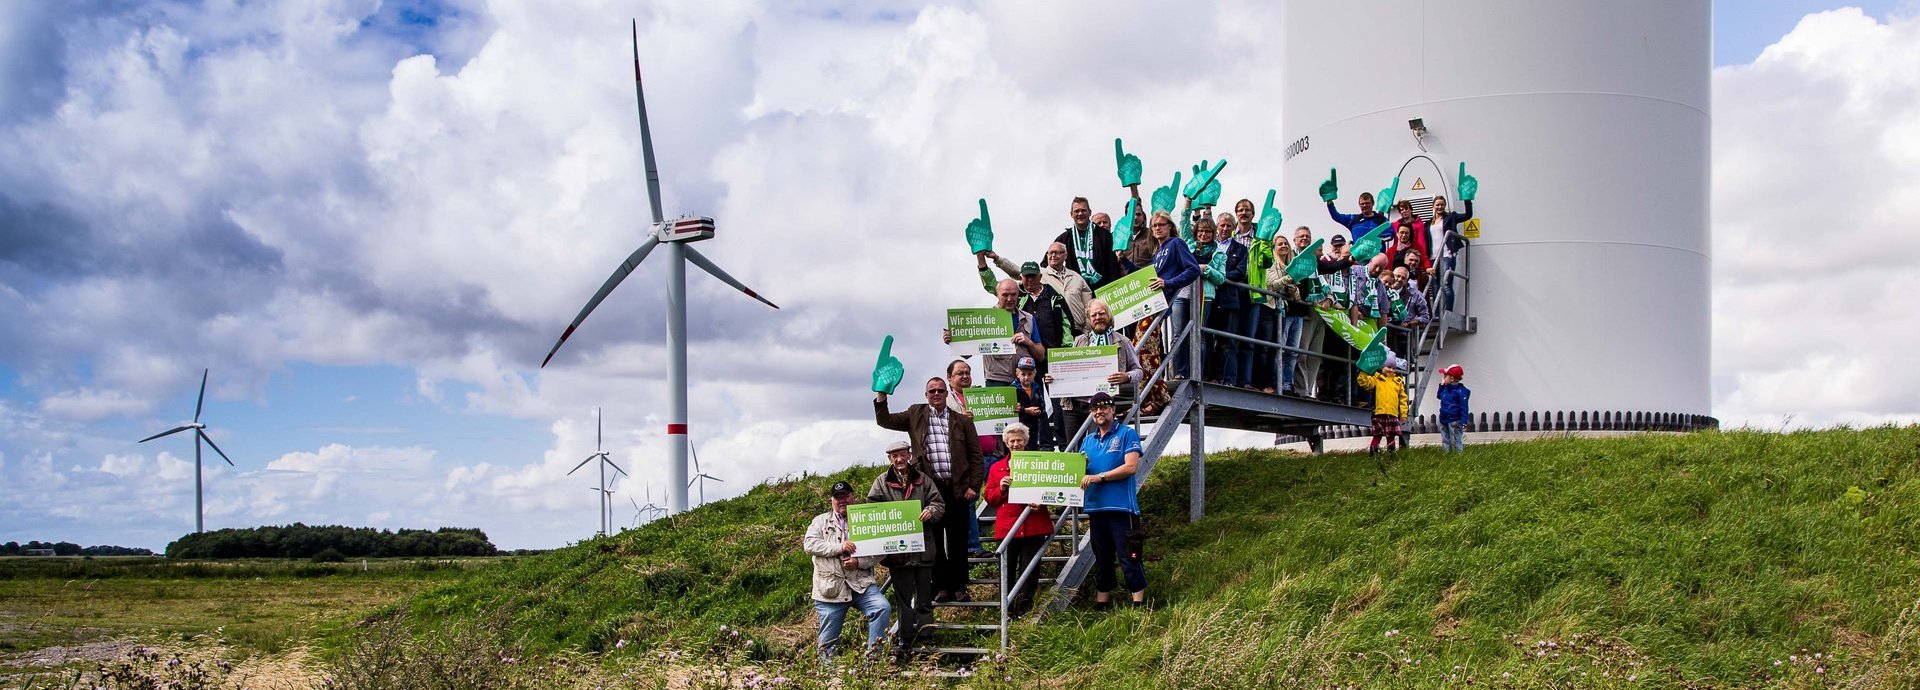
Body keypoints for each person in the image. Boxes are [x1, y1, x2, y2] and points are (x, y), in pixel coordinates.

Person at [873, 378, 983, 604]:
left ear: (946, 393)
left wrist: (974, 486)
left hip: (958, 488)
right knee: (932, 539)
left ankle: (960, 586)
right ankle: (941, 586)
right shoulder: (916, 413)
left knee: (958, 541)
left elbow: (976, 455)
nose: (936, 394)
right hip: (928, 491)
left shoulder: (961, 420)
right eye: (932, 391)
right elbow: (884, 419)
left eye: (941, 391)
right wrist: (882, 394)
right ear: (926, 394)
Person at [865, 440, 946, 660]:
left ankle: (926, 635)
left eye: (902, 455)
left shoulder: (923, 479)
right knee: (903, 599)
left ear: (909, 455)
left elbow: (939, 503)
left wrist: (931, 511)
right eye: (894, 456)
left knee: (924, 598)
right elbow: (871, 508)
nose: (899, 459)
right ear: (889, 459)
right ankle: (905, 637)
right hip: (898, 554)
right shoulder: (881, 482)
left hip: (923, 549)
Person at [804, 480, 890, 662]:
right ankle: (827, 677)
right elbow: (810, 544)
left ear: (853, 497)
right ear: (832, 500)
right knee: (828, 642)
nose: (842, 501)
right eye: (838, 498)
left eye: (846, 497)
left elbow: (880, 550)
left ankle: (873, 664)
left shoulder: (866, 519)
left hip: (861, 584)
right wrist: (840, 547)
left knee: (881, 608)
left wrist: (859, 562)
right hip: (830, 588)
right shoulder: (819, 521)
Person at [1078, 392, 1145, 607]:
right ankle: (1102, 604)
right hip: (1096, 508)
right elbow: (1077, 471)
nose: (1099, 411)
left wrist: (1100, 477)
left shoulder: (1127, 433)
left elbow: (1131, 467)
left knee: (1129, 556)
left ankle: (1139, 604)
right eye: (1095, 408)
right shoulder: (1087, 440)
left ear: (1113, 410)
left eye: (1104, 407)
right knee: (1102, 558)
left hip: (1122, 508)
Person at [981, 422, 1054, 617]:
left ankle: (1024, 611)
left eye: (1019, 440)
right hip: (1008, 527)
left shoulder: (1038, 463)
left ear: (1026, 441)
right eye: (1012, 441)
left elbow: (1051, 490)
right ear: (1006, 442)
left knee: (1029, 572)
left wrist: (1042, 502)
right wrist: (1002, 489)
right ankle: (1008, 611)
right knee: (1007, 572)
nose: (1015, 444)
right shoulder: (997, 468)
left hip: (1033, 525)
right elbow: (989, 497)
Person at [1048, 299, 1143, 443]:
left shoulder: (1122, 341)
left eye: (1101, 314)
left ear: (1109, 315)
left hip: (1101, 405)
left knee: (1097, 445)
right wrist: (1054, 377)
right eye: (1094, 315)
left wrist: (1126, 376)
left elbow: (1139, 371)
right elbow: (1068, 368)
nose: (1098, 318)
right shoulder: (1079, 341)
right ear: (1089, 319)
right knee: (1073, 450)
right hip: (1073, 405)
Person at [947, 279, 1048, 388]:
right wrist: (952, 341)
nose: (1009, 299)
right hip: (997, 381)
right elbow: (967, 354)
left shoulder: (1028, 318)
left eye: (1013, 295)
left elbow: (1041, 355)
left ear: (1018, 294)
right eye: (1005, 295)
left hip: (1024, 380)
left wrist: (1029, 343)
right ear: (997, 295)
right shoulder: (985, 318)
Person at [979, 243, 1093, 335]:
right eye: (1051, 252)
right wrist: (986, 259)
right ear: (1021, 277)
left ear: (1040, 277)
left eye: (1033, 276)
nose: (1030, 280)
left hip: (1062, 343)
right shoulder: (1015, 294)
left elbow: (1089, 307)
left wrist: (1087, 331)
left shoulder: (1061, 290)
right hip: (1025, 351)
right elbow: (993, 284)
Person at [1145, 211, 1201, 380]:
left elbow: (1193, 269)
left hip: (1176, 296)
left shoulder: (1176, 243)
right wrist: (1124, 262)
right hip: (1161, 302)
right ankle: (1162, 375)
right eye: (1154, 226)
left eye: (1161, 224)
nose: (1157, 228)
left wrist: (1168, 283)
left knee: (1177, 334)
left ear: (1169, 226)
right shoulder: (1157, 252)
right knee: (1159, 338)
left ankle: (1181, 371)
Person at [1202, 212, 1250, 387]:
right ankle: (1210, 375)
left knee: (1227, 341)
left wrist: (1218, 276)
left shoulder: (1240, 249)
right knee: (1207, 338)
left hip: (1229, 300)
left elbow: (1239, 273)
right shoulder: (1211, 248)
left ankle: (1228, 379)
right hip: (1211, 300)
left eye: (1228, 226)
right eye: (1221, 225)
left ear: (1233, 228)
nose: (1224, 229)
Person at [1054, 196, 1123, 292]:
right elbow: (1047, 263)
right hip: (1077, 292)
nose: (1080, 214)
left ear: (1090, 212)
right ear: (1071, 214)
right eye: (1077, 211)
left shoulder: (1104, 234)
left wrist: (1114, 289)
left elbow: (1112, 266)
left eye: (1083, 210)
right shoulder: (1064, 239)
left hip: (1104, 290)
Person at [1264, 239, 1302, 395]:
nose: (1284, 246)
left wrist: (1293, 290)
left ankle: (1287, 383)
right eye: (1280, 244)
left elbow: (1297, 296)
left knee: (1291, 350)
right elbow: (1270, 284)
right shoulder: (1273, 263)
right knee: (1279, 348)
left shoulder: (1290, 266)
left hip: (1286, 309)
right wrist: (1289, 279)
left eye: (1285, 243)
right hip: (1273, 309)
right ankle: (1276, 381)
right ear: (1274, 248)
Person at [1428, 195, 1475, 312]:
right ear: (1433, 206)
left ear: (1445, 206)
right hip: (1433, 256)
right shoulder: (1428, 223)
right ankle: (1437, 314)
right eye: (1437, 204)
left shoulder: (1451, 217)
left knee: (1446, 283)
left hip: (1447, 254)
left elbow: (1468, 215)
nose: (1439, 207)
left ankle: (1448, 312)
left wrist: (1467, 199)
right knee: (1435, 286)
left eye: (1442, 204)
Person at [1357, 359, 1410, 455]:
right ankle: (1373, 453)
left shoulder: (1398, 382)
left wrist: (1403, 414)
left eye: (1394, 368)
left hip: (1392, 414)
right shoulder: (1377, 379)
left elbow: (1403, 399)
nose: (1391, 370)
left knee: (1391, 436)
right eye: (1389, 367)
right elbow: (1365, 383)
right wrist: (1364, 371)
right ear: (1382, 367)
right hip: (1379, 413)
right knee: (1377, 435)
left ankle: (1391, 454)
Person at [1012, 357, 1048, 450]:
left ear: (1035, 373)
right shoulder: (1012, 389)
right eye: (1023, 374)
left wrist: (1038, 411)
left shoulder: (1036, 388)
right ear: (1017, 373)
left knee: (1033, 448)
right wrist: (1026, 410)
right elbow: (1011, 409)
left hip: (1034, 427)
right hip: (1019, 429)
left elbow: (1042, 406)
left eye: (1030, 374)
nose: (1026, 377)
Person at [1437, 364, 1471, 453]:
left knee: (1455, 439)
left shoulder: (1461, 391)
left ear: (1451, 378)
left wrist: (1464, 422)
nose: (1443, 377)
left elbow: (1464, 408)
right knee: (1445, 438)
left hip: (1455, 420)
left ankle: (1457, 455)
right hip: (1444, 419)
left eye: (1445, 376)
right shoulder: (1445, 388)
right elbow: (1439, 396)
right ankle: (1446, 454)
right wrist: (1441, 385)